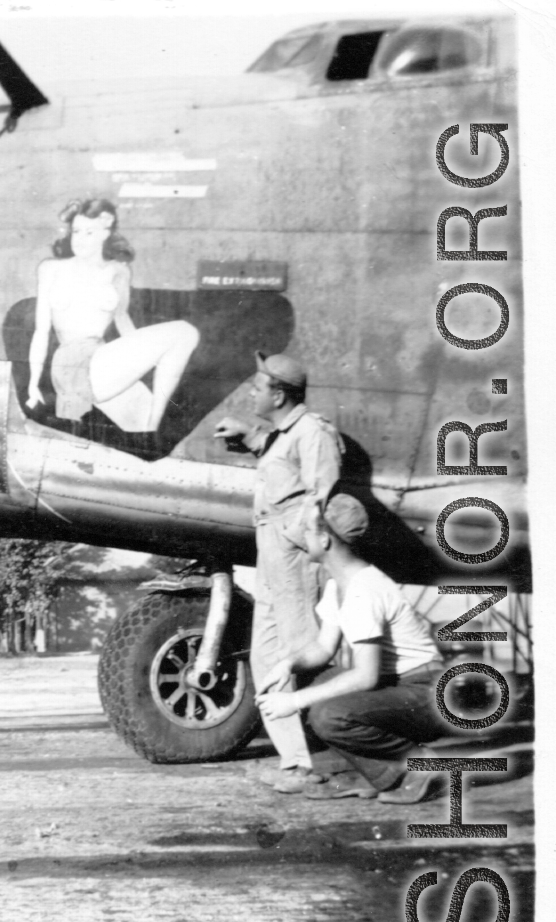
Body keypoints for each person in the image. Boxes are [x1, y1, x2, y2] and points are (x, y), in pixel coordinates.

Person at [256, 494, 448, 802]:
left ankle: (422, 766)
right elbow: (322, 648)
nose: (303, 539)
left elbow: (366, 677)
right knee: (310, 675)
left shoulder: (363, 590)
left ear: (324, 539)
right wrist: (287, 665)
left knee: (330, 715)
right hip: (398, 688)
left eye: (306, 532)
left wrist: (294, 700)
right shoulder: (339, 584)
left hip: (424, 693)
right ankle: (350, 772)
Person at [214, 352, 343, 785]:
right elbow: (278, 462)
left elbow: (320, 498)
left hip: (291, 552)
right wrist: (249, 436)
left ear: (280, 394)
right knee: (267, 656)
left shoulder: (314, 433)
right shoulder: (283, 434)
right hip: (269, 551)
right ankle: (296, 760)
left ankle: (336, 759)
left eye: (258, 386)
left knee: (304, 650)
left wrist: (293, 541)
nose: (252, 392)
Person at [26, 198, 199, 433]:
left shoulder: (119, 271)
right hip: (70, 363)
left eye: (89, 232)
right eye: (76, 231)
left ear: (105, 233)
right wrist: (33, 383)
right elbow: (41, 330)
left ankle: (150, 429)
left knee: (143, 428)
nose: (80, 238)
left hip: (102, 361)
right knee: (185, 332)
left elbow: (123, 321)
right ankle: (152, 426)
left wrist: (147, 357)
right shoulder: (51, 269)